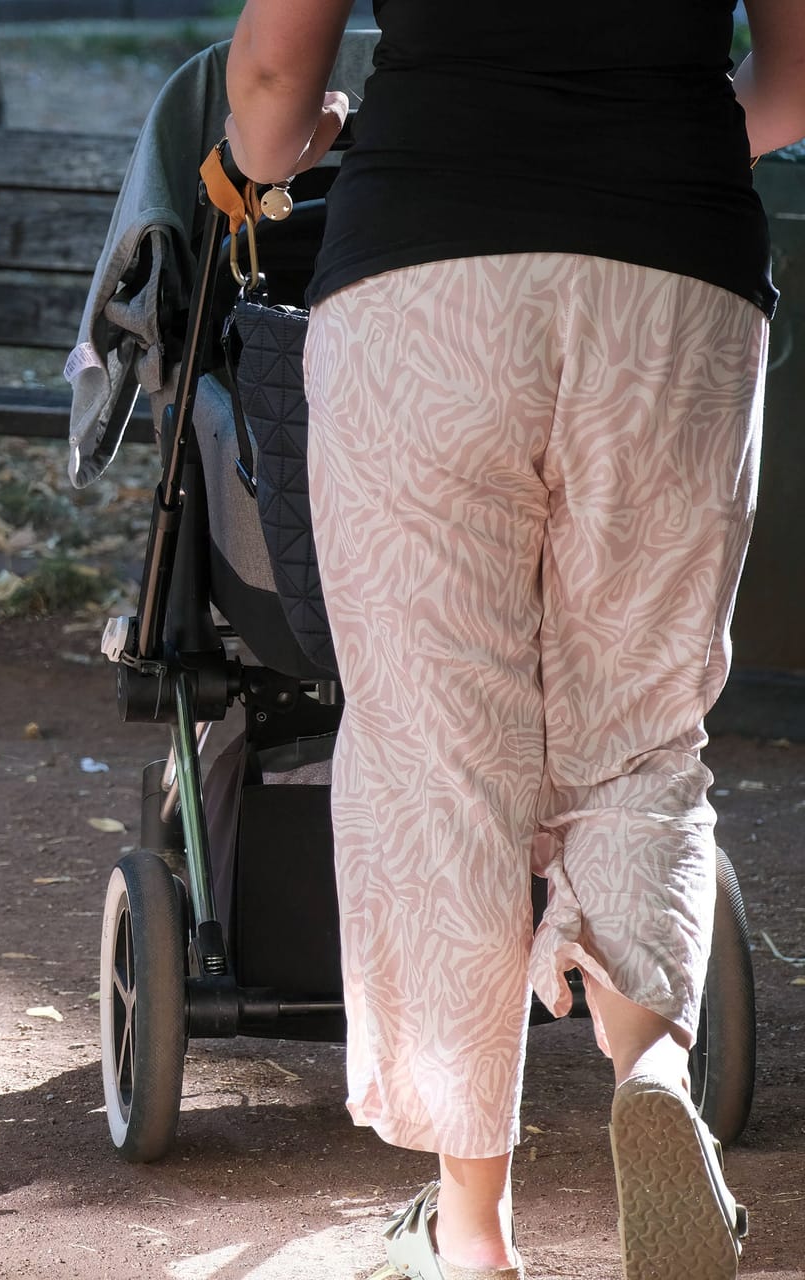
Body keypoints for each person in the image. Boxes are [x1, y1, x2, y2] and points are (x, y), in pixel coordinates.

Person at [223, 2, 805, 1277]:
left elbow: (272, 73)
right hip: (677, 270)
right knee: (644, 733)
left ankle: (475, 1225)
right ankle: (651, 1067)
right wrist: (681, 130)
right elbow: (801, 74)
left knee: (438, 747)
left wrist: (287, 146)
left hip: (425, 276)